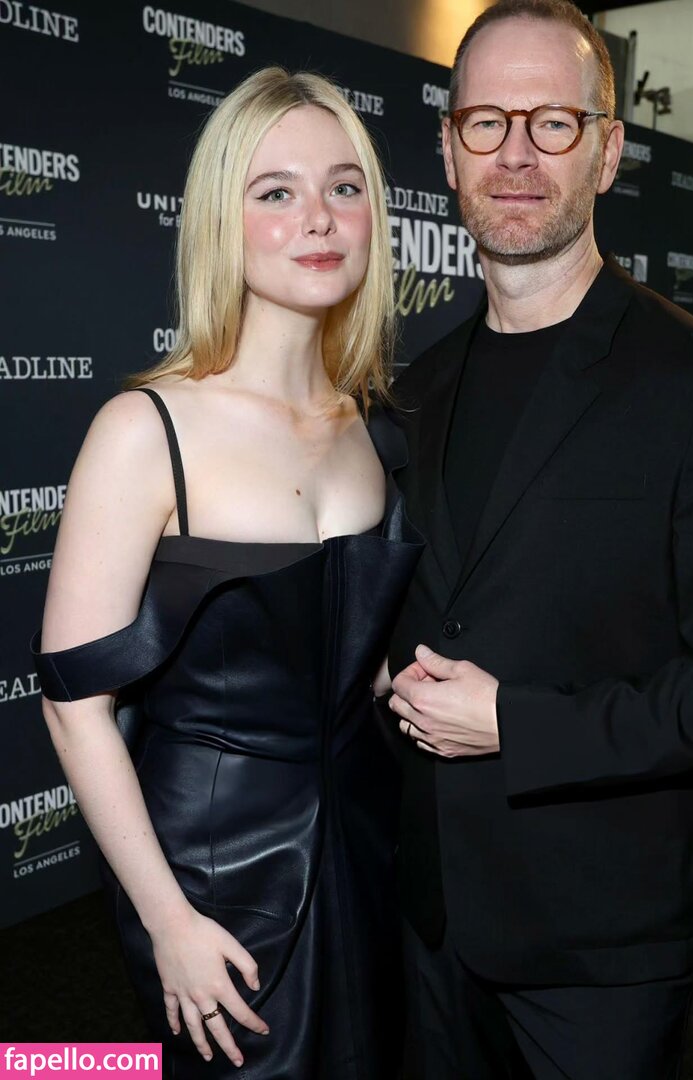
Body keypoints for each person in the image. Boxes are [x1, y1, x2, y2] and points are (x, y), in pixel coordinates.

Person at [386, 2, 693, 1077]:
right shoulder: (415, 389)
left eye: (554, 123)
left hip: (600, 956)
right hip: (432, 928)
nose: (515, 154)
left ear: (609, 152)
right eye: (486, 122)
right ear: (449, 150)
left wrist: (515, 724)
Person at [33, 67, 422, 1079]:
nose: (319, 217)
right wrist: (167, 921)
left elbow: (358, 658)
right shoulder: (145, 430)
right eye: (276, 191)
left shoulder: (375, 426)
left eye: (344, 187)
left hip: (370, 839)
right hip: (214, 872)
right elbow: (75, 709)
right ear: (221, 220)